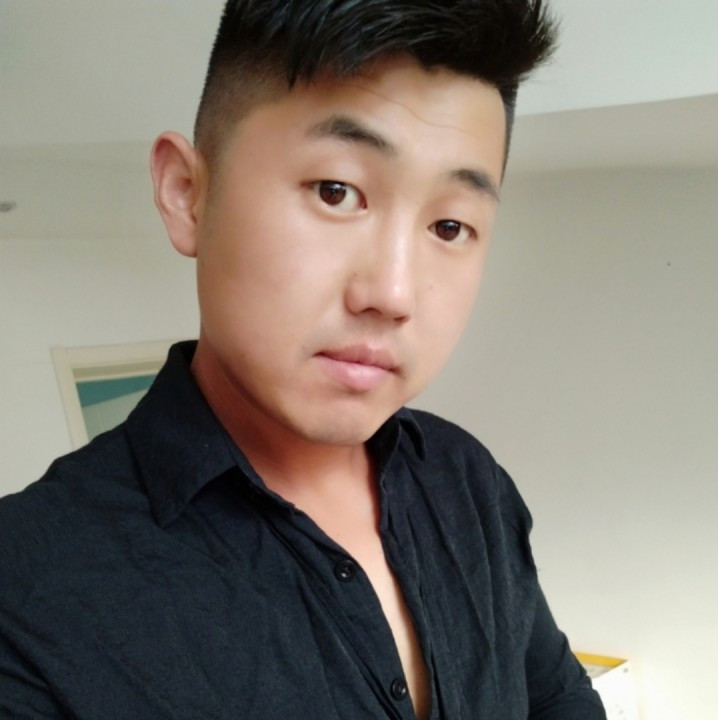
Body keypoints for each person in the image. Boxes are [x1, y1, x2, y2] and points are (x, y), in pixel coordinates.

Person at [0, 1, 606, 718]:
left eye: (450, 226)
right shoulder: (28, 590)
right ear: (188, 193)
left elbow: (561, 700)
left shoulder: (467, 481)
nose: (393, 293)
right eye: (336, 192)